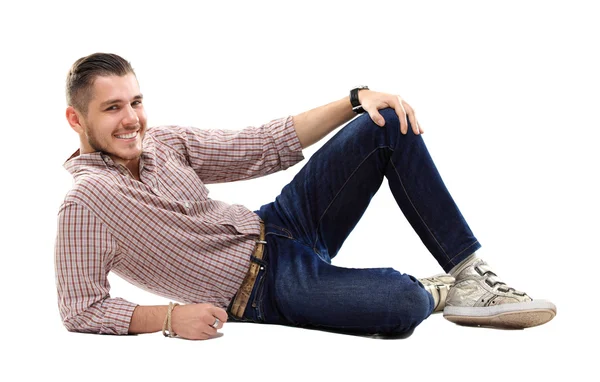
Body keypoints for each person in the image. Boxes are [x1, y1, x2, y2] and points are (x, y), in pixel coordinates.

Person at [55, 52, 556, 340]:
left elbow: (263, 144)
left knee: (384, 125)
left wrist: (356, 99)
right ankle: (439, 290)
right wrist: (167, 317)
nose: (132, 120)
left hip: (281, 223)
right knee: (401, 306)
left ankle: (471, 273)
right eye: (112, 108)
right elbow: (80, 309)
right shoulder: (86, 204)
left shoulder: (164, 142)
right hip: (264, 291)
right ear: (77, 120)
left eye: (136, 102)